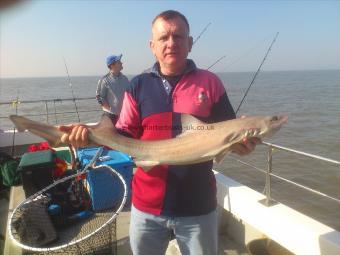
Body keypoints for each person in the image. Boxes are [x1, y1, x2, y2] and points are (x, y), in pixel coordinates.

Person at [60, 10, 260, 255]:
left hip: (198, 205)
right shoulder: (138, 86)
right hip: (147, 206)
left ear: (190, 43)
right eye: (164, 37)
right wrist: (87, 137)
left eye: (178, 36)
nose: (171, 43)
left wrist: (244, 143)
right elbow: (121, 136)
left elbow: (228, 136)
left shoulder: (210, 83)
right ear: (152, 45)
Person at [96, 54, 129, 124]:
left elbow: (130, 94)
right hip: (110, 116)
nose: (121, 63)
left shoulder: (125, 79)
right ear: (112, 65)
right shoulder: (104, 80)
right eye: (119, 61)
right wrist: (109, 109)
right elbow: (99, 97)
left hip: (124, 115)